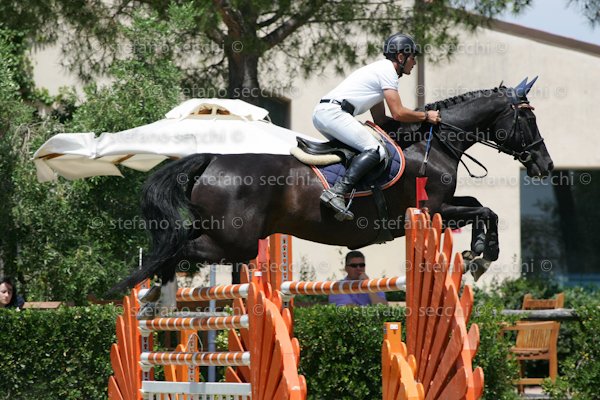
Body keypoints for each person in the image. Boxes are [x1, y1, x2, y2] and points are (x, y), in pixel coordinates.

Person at [313, 33, 441, 221]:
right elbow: (398, 113)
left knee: (363, 149)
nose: (414, 62)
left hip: (327, 113)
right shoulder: (388, 71)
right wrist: (426, 116)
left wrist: (412, 132)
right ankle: (337, 192)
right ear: (401, 57)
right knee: (375, 149)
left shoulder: (380, 71)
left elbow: (381, 120)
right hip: (333, 113)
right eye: (413, 57)